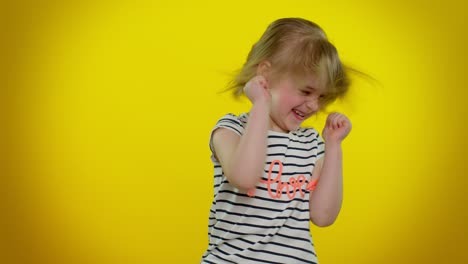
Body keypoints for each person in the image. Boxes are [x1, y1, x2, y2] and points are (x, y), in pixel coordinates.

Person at [201, 17, 352, 264]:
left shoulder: (310, 143)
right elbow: (245, 177)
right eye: (306, 91)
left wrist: (333, 146)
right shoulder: (231, 130)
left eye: (322, 96)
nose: (314, 105)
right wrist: (261, 103)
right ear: (266, 75)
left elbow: (323, 216)